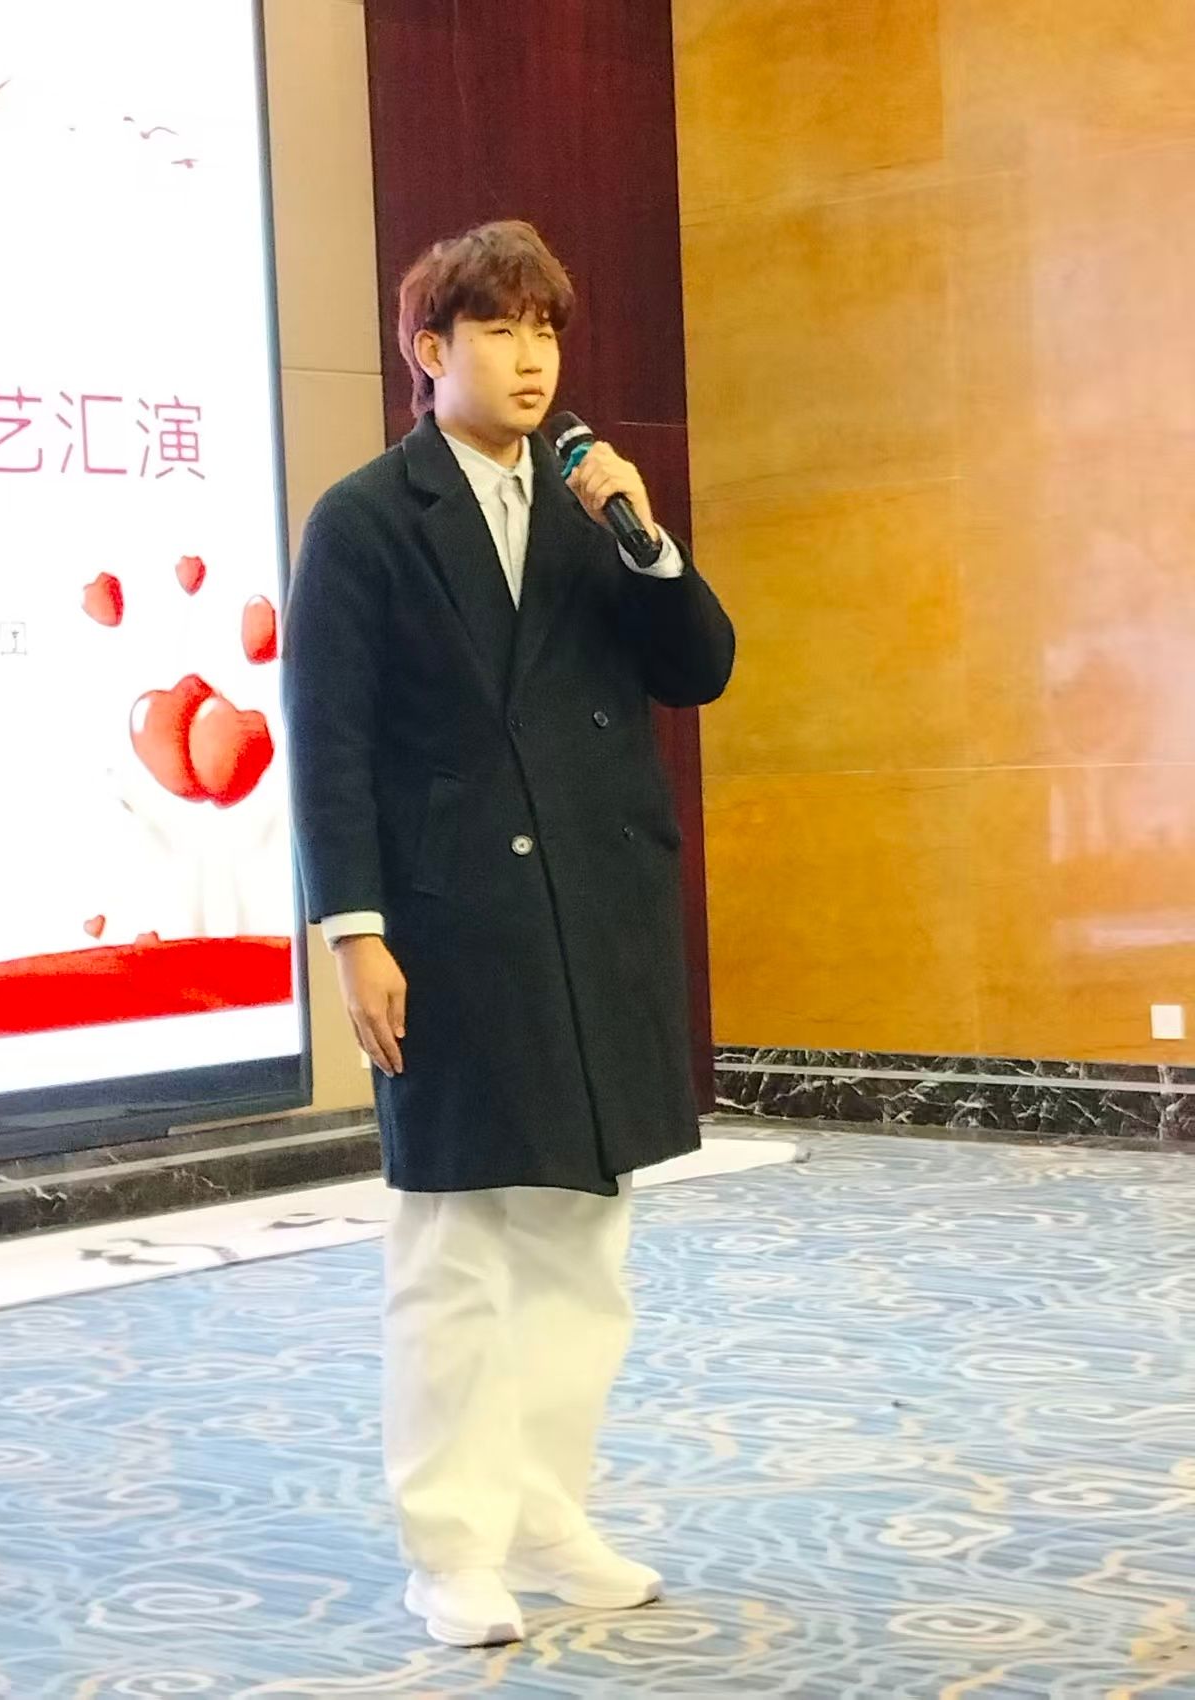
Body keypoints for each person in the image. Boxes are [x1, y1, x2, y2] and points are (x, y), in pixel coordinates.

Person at [281, 219, 735, 1648]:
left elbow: (699, 668)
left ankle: (549, 1514)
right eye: (498, 328)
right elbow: (328, 740)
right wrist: (355, 930)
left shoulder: (594, 503)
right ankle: (454, 1546)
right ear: (430, 350)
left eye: (546, 329)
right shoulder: (368, 517)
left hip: (593, 914)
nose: (532, 357)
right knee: (460, 1250)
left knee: (582, 1250)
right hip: (451, 925)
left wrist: (648, 539)